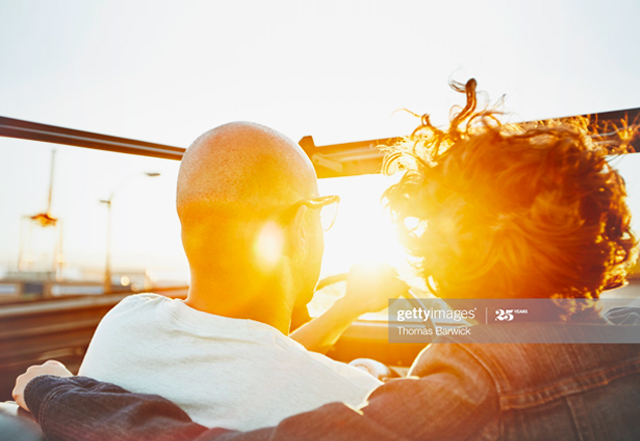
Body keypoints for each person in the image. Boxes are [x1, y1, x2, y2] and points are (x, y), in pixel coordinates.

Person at [12, 80, 640, 440]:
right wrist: (348, 317)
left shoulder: (123, 323)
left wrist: (53, 389)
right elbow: (266, 360)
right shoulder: (622, 342)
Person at [19, 122, 406, 432]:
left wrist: (347, 308)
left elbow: (243, 359)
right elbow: (261, 363)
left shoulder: (122, 325)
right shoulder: (355, 403)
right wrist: (369, 372)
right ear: (301, 227)